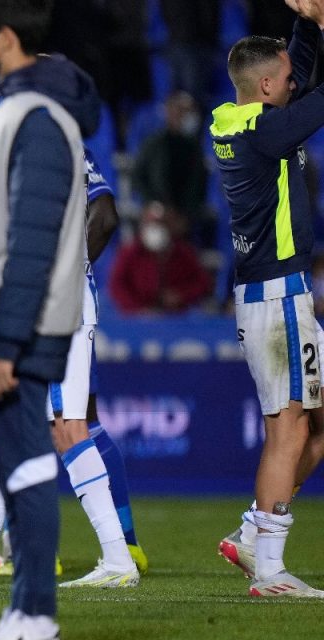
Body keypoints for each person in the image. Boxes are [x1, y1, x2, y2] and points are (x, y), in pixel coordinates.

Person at [0, 0, 99, 635]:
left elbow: (31, 237)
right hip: (15, 318)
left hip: (23, 323)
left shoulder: (32, 116)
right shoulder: (25, 106)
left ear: (5, 38)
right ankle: (27, 610)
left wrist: (6, 341)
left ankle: (34, 613)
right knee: (20, 464)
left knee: (28, 462)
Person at [208, 0, 324, 598]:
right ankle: (270, 566)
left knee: (313, 423)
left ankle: (256, 533)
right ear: (266, 86)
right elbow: (314, 100)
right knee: (289, 428)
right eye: (285, 77)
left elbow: (301, 77)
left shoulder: (237, 118)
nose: (294, 80)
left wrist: (308, 22)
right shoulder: (263, 132)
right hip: (277, 294)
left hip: (273, 291)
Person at [131, 91, 211, 246]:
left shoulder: (195, 149)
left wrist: (184, 214)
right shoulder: (153, 145)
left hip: (184, 218)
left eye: (189, 111)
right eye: (180, 110)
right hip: (156, 211)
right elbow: (138, 176)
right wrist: (152, 203)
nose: (185, 116)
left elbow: (198, 185)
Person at [109, 202, 213, 314]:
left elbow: (203, 283)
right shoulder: (130, 251)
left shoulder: (183, 252)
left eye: (161, 224)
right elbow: (117, 285)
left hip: (175, 317)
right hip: (139, 318)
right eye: (152, 223)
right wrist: (137, 309)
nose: (156, 229)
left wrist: (181, 295)